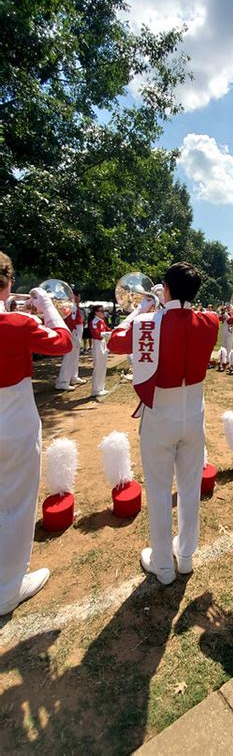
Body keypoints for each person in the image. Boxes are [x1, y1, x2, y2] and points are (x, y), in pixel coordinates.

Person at [108, 262, 219, 584]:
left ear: (165, 289)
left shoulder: (147, 321)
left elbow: (115, 342)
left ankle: (162, 563)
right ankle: (185, 556)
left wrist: (144, 307)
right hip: (194, 413)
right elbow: (186, 319)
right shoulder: (210, 320)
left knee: (158, 490)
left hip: (160, 413)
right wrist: (162, 306)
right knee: (188, 488)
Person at [0, 252, 72, 615]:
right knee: (17, 503)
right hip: (13, 421)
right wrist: (46, 305)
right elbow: (62, 341)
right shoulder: (16, 322)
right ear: (8, 283)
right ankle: (8, 587)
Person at [55, 286, 85, 391]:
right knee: (69, 357)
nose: (79, 298)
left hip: (76, 332)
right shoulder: (71, 306)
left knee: (74, 356)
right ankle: (63, 381)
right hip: (73, 332)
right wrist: (73, 333)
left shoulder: (74, 306)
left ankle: (73, 376)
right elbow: (71, 321)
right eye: (78, 296)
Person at [90, 305, 111, 398]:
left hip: (103, 343)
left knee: (103, 366)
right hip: (98, 344)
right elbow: (96, 334)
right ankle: (96, 389)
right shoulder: (94, 321)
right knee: (98, 367)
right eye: (101, 311)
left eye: (104, 311)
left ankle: (101, 388)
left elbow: (107, 329)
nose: (103, 312)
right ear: (96, 312)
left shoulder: (101, 321)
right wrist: (107, 334)